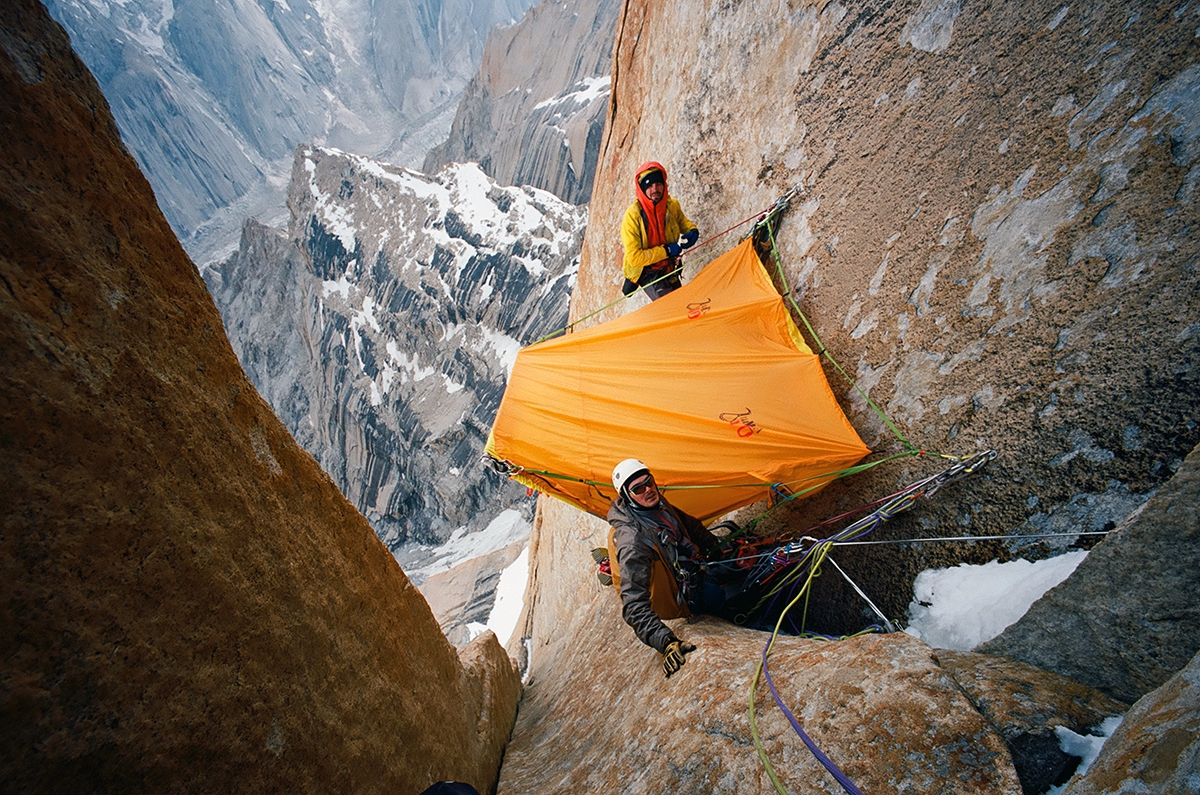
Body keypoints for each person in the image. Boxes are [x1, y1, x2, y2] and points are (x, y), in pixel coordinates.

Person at [607, 458, 728, 678]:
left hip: (695, 570)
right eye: (639, 488)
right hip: (683, 597)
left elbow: (690, 526)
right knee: (727, 598)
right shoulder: (633, 541)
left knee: (741, 571)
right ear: (626, 495)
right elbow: (633, 605)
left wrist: (721, 550)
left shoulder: (658, 504)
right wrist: (665, 641)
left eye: (649, 482)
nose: (648, 490)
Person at [620, 162, 699, 300]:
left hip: (668, 266)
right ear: (642, 190)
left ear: (664, 185)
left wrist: (692, 230)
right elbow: (634, 257)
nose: (654, 189)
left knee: (683, 304)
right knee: (672, 309)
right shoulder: (633, 216)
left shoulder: (671, 205)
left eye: (658, 184)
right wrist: (666, 251)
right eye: (649, 186)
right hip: (647, 272)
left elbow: (682, 222)